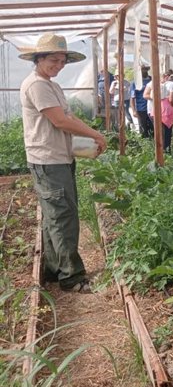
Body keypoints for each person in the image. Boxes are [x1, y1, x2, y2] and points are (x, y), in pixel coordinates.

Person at [19, 33, 107, 293]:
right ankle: (72, 277)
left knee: (54, 215)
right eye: (53, 60)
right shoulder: (37, 85)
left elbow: (67, 117)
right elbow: (60, 121)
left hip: (57, 158)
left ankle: (54, 269)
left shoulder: (50, 84)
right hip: (48, 161)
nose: (58, 65)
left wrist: (85, 138)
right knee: (63, 217)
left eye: (62, 61)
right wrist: (95, 134)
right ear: (39, 58)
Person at [130, 64, 153, 138]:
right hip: (141, 108)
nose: (144, 71)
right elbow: (132, 97)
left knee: (153, 127)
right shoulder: (135, 82)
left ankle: (153, 144)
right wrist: (134, 110)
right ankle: (145, 143)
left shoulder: (151, 80)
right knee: (143, 128)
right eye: (142, 70)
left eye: (145, 69)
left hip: (152, 108)